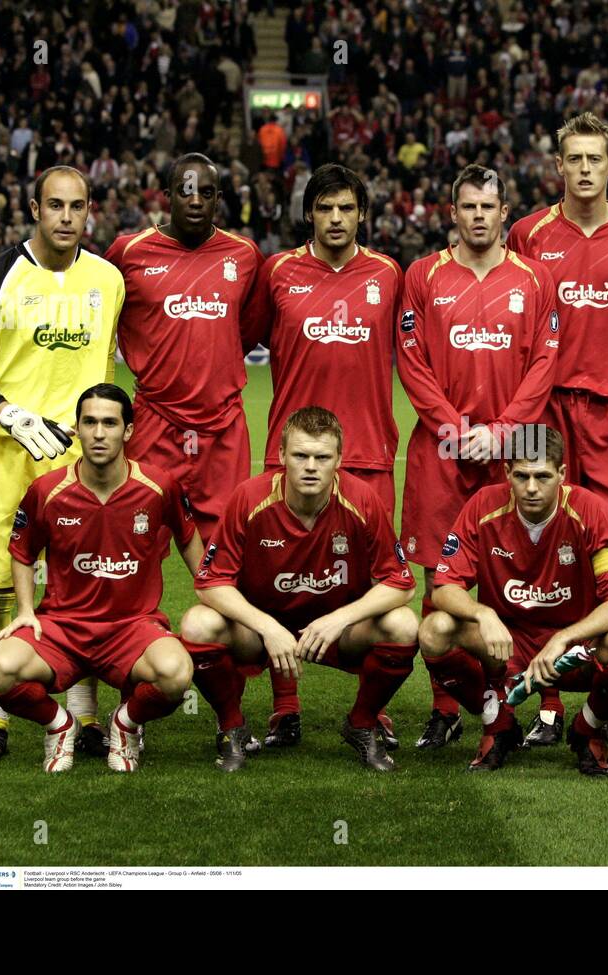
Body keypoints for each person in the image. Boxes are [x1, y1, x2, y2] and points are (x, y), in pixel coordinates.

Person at [0, 165, 125, 762]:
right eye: (55, 205)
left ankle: (86, 717)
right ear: (34, 208)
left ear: (89, 209)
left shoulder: (108, 279)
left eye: (77, 206)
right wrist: (12, 415)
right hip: (4, 452)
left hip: (79, 460)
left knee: (84, 588)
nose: (67, 217)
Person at [102, 152, 269, 767]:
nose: (196, 200)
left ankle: (242, 716)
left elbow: (247, 332)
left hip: (223, 432)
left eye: (208, 192)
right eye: (186, 190)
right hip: (155, 432)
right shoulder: (128, 251)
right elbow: (103, 319)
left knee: (230, 576)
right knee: (129, 565)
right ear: (166, 194)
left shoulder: (244, 256)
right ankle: (130, 701)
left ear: (220, 197)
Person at [504, 112, 608, 746]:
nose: (587, 169)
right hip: (544, 410)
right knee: (543, 554)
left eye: (598, 158)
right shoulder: (529, 233)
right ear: (560, 167)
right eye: (576, 159)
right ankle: (544, 707)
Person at [397, 164, 559, 752]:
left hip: (513, 454)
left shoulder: (534, 278)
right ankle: (447, 707)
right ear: (453, 212)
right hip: (442, 454)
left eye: (488, 207)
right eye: (468, 207)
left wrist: (504, 431)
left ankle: (545, 704)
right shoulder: (424, 276)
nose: (478, 217)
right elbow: (411, 361)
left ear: (504, 212)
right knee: (441, 581)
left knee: (527, 578)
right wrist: (455, 429)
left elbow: (546, 360)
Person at [252, 163, 404, 751]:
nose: (336, 219)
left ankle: (370, 712)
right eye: (325, 208)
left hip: (368, 454)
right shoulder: (279, 272)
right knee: (274, 583)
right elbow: (246, 336)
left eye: (346, 208)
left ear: (361, 213)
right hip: (288, 454)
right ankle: (284, 707)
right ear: (309, 214)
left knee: (370, 586)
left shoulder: (389, 275)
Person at [180, 407, 419, 772]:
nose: (311, 466)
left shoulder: (364, 500)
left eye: (322, 457)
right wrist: (268, 627)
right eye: (300, 455)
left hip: (335, 633)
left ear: (339, 459)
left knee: (403, 625)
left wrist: (340, 619)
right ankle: (232, 727)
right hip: (261, 634)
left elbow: (400, 584)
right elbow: (210, 583)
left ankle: (361, 722)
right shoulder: (248, 498)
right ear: (280, 456)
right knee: (198, 624)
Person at [0, 384, 198, 772]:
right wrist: (26, 611)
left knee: (176, 673)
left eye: (110, 423)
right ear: (78, 429)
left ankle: (126, 723)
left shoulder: (158, 486)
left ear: (128, 431)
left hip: (132, 627)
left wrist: (209, 596)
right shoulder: (47, 490)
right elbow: (22, 551)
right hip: (63, 628)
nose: (99, 433)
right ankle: (59, 725)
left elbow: (188, 539)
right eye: (91, 422)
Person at [419, 427, 608, 775]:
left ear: (562, 474)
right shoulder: (483, 505)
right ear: (506, 473)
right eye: (522, 476)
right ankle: (497, 723)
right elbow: (444, 586)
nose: (531, 488)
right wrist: (482, 613)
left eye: (542, 476)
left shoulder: (589, 510)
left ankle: (587, 729)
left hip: (573, 649)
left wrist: (564, 638)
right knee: (434, 630)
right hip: (508, 645)